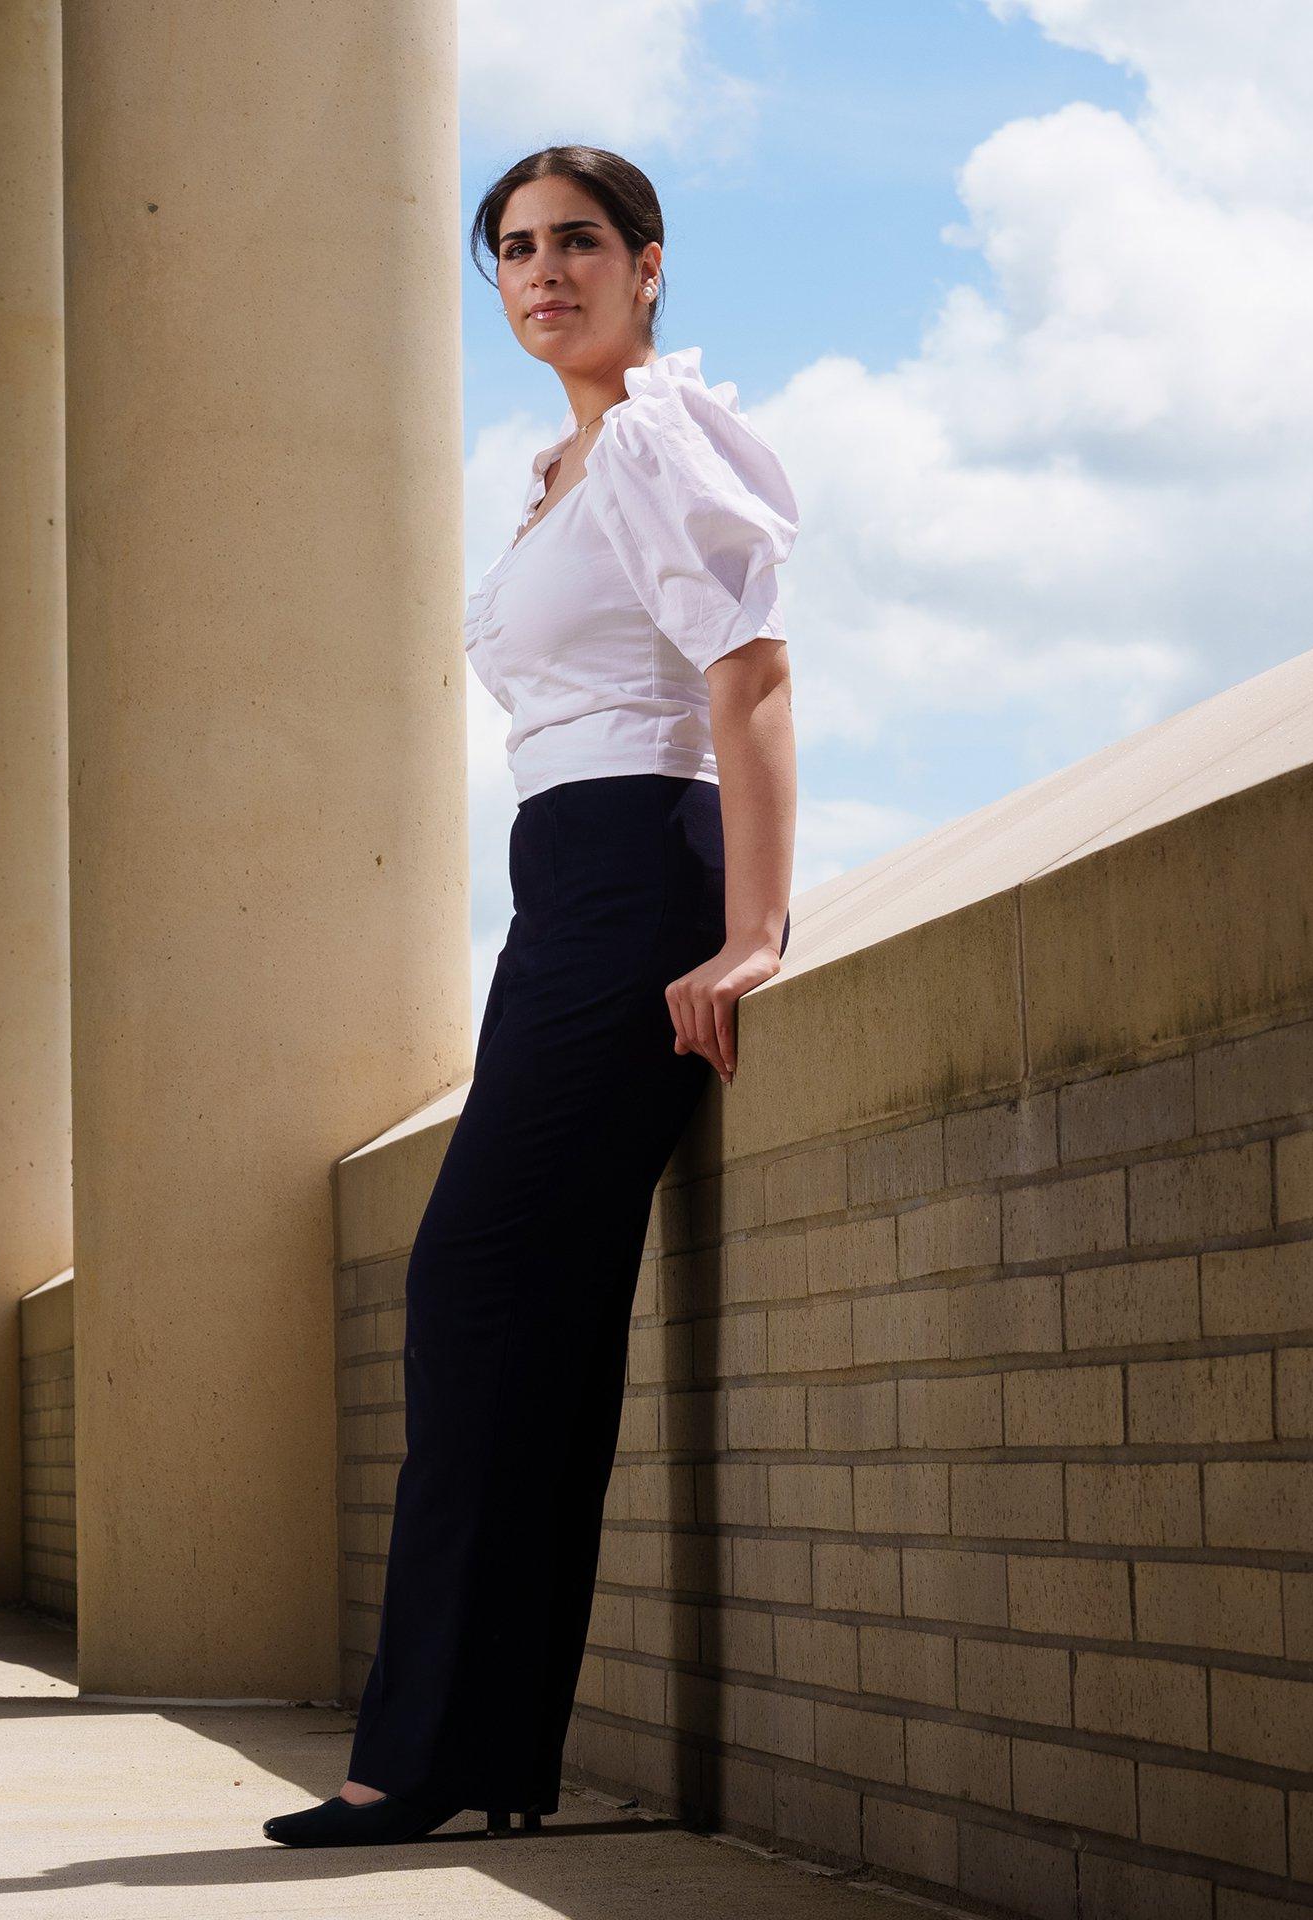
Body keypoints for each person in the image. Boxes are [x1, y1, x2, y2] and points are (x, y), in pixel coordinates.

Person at [263, 145, 801, 1849]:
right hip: (555, 896)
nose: (542, 269)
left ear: (649, 264)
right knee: (537, 1332)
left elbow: (752, 669)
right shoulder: (556, 468)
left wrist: (754, 927)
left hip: (641, 877)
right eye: (513, 248)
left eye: (577, 241)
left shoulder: (654, 436)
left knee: (474, 1289)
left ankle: (412, 1759)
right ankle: (485, 1760)